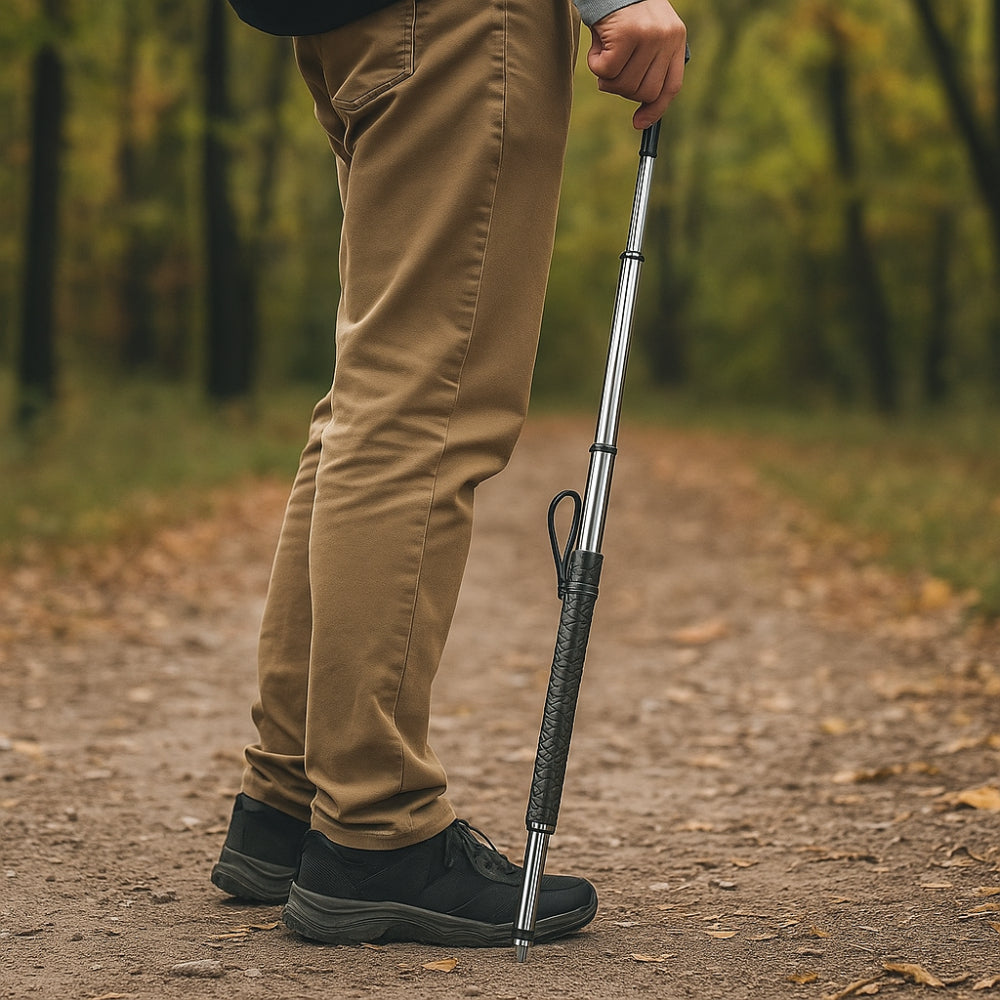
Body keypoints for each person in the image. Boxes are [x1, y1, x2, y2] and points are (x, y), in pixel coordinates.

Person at [211, 0, 687, 948]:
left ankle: (295, 798)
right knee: (424, 405)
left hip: (348, 22)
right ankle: (374, 832)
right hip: (462, 19)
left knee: (376, 392)